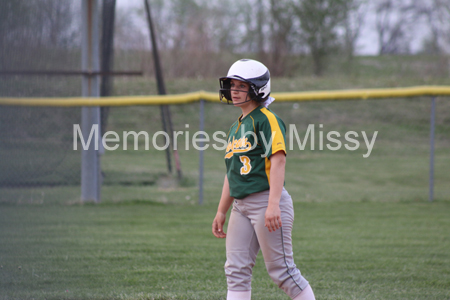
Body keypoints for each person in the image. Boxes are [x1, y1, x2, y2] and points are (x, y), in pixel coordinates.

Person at [212, 59, 316, 300]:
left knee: (283, 272)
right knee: (236, 271)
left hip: (266, 202)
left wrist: (273, 204)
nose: (234, 91)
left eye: (241, 86)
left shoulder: (265, 119)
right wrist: (221, 211)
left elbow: (278, 160)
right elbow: (232, 172)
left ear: (258, 89)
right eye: (232, 86)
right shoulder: (235, 127)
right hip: (240, 206)